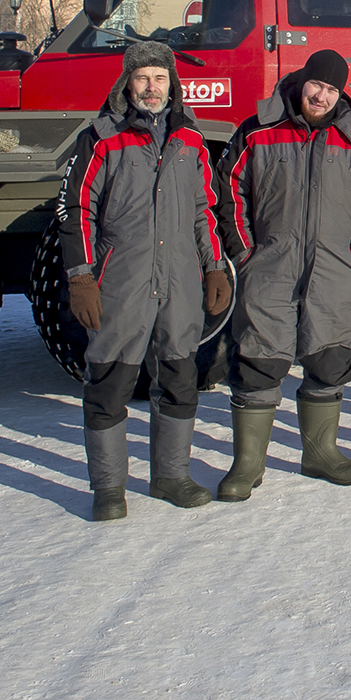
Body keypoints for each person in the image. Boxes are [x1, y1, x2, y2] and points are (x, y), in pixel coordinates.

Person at [58, 42, 232, 521]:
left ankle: (170, 476)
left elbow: (204, 209)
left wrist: (213, 266)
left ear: (171, 84)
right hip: (122, 280)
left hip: (179, 281)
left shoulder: (191, 139)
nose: (151, 87)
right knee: (109, 382)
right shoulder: (100, 137)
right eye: (142, 78)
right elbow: (76, 209)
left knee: (179, 378)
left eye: (159, 78)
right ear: (127, 83)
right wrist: (81, 277)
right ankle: (108, 488)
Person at [214, 49, 351, 496]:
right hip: (269, 268)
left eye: (331, 89)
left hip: (334, 273)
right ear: (302, 81)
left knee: (329, 360)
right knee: (259, 360)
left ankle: (320, 454)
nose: (321, 96)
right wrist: (244, 251)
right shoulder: (258, 130)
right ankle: (247, 465)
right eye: (317, 85)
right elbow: (229, 191)